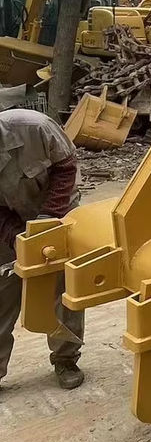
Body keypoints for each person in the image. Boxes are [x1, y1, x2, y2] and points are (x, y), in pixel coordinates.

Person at [0, 108, 84, 390]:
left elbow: (66, 167)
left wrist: (49, 218)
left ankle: (66, 358)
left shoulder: (35, 127)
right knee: (3, 289)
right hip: (9, 221)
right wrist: (15, 237)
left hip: (58, 212)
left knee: (63, 286)